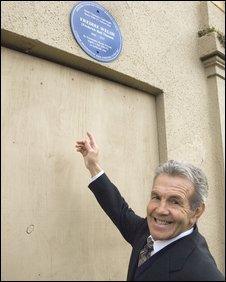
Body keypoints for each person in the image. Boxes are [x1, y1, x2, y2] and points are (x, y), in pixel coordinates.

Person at [75, 132, 225, 281]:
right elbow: (119, 211)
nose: (160, 210)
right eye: (156, 197)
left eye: (175, 201)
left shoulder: (203, 273)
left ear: (196, 212)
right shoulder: (147, 231)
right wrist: (93, 165)